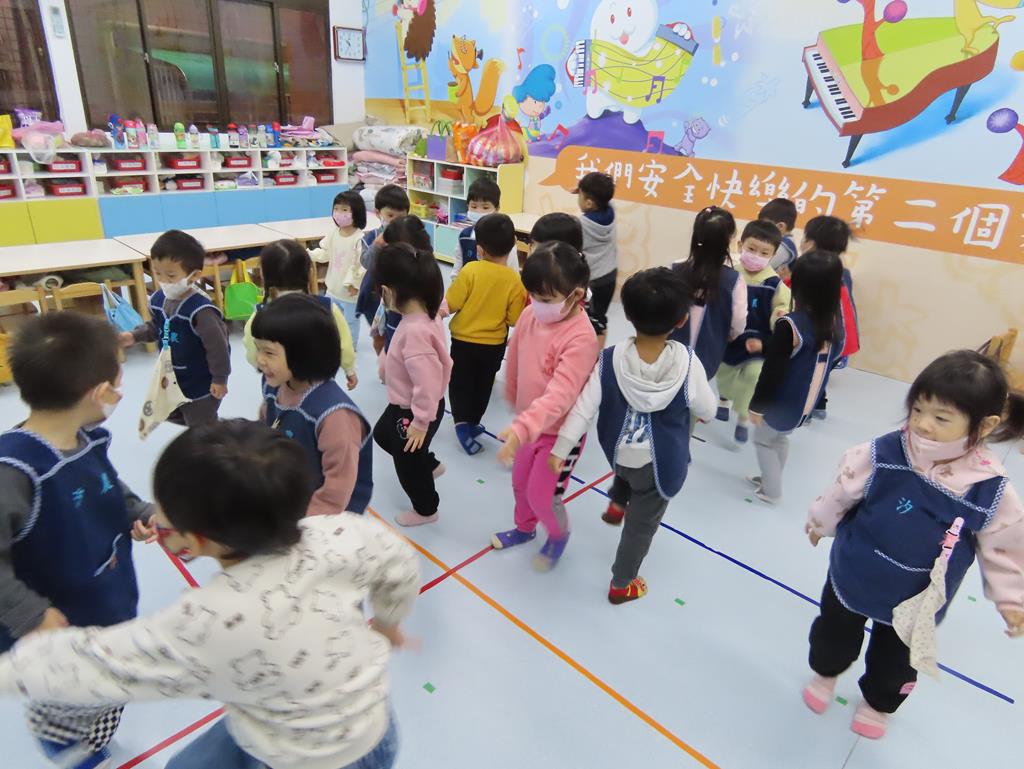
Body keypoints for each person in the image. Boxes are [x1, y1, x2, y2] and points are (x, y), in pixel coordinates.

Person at [0, 419, 420, 769]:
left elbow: (106, 664)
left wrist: (9, 670)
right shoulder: (337, 530)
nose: (154, 515)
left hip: (305, 757)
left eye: (163, 510)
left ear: (195, 540)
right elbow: (398, 560)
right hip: (370, 725)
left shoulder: (214, 619)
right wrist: (388, 622)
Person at [802, 350, 1024, 739]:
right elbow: (844, 486)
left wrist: (1011, 599)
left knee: (896, 662)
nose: (922, 423)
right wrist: (821, 521)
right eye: (918, 409)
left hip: (916, 598)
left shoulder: (988, 487)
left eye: (941, 418)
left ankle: (878, 702)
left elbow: (1005, 546)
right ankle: (826, 673)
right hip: (855, 570)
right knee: (833, 633)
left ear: (984, 424)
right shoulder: (886, 451)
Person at [0, 312, 155, 769]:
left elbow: (108, 485)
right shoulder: (14, 471)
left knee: (104, 687)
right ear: (99, 392)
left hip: (103, 600)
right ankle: (64, 745)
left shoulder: (84, 438)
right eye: (119, 376)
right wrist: (31, 614)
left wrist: (139, 513)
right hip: (56, 625)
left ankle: (91, 727)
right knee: (70, 698)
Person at [550, 268, 716, 603]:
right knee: (641, 527)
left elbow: (583, 408)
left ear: (626, 314)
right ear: (682, 320)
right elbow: (708, 410)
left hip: (617, 450)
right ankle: (621, 584)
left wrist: (561, 449)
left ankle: (616, 504)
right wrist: (699, 411)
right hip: (660, 465)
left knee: (626, 470)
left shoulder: (609, 359)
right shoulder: (688, 364)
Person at [492, 241, 599, 571]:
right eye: (533, 296)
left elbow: (561, 394)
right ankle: (524, 529)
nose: (537, 304)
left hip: (559, 437)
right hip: (529, 425)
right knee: (519, 483)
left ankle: (557, 533)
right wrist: (513, 398)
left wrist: (523, 426)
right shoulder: (530, 315)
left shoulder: (581, 338)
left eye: (547, 299)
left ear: (576, 295)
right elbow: (515, 357)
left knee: (543, 496)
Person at [254, 294, 373, 516]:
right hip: (291, 491)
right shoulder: (274, 386)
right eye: (257, 348)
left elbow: (337, 490)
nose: (259, 359)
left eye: (268, 352)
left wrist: (301, 523)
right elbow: (265, 425)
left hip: (326, 517)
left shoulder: (334, 415)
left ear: (304, 353)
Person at [748, 250, 843, 504]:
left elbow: (772, 371)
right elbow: (800, 356)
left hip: (782, 402)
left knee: (763, 441)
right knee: (778, 438)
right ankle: (770, 477)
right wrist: (766, 346)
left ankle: (772, 491)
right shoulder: (832, 324)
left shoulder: (790, 324)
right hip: (804, 403)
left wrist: (757, 406)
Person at [372, 243, 452, 527]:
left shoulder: (415, 332)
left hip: (415, 410)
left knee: (407, 463)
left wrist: (420, 421)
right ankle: (429, 464)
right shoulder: (425, 314)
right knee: (383, 435)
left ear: (388, 291)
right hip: (407, 403)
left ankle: (426, 509)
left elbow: (427, 381)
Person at [121, 229, 229, 426]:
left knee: (201, 426)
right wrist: (133, 336)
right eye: (157, 273)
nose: (163, 281)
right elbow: (156, 328)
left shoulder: (201, 311)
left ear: (194, 276)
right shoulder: (158, 300)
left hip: (200, 383)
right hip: (172, 378)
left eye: (171, 275)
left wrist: (220, 379)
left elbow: (219, 348)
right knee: (174, 414)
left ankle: (216, 438)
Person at [446, 213, 527, 455]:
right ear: (512, 247)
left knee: (460, 382)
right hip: (493, 345)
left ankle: (461, 423)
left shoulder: (470, 271)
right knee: (483, 385)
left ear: (479, 249)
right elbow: (514, 319)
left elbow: (452, 302)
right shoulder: (515, 280)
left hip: (462, 341)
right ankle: (472, 422)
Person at [244, 239, 358, 390]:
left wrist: (264, 365)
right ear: (310, 273)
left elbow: (252, 351)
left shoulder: (260, 315)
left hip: (277, 382)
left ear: (263, 276)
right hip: (318, 382)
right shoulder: (327, 307)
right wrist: (349, 369)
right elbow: (344, 344)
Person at [716, 220, 791, 443]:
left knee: (753, 376)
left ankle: (742, 418)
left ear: (773, 255)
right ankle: (723, 399)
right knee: (724, 372)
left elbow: (782, 309)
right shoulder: (730, 274)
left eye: (764, 253)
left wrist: (779, 315)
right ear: (740, 245)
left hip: (758, 342)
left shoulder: (774, 284)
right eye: (751, 249)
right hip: (730, 337)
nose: (756, 255)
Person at [670, 207, 747, 382]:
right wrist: (728, 335)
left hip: (671, 352)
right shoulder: (734, 280)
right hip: (708, 355)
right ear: (729, 239)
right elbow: (738, 323)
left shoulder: (675, 269)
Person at [801, 215, 859, 420]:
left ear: (810, 243)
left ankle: (805, 411)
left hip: (827, 338)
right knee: (820, 371)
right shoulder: (842, 271)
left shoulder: (815, 271)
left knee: (810, 373)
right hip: (844, 337)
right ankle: (819, 405)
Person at [310, 190, 368, 348]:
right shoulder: (333, 233)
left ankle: (350, 346)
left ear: (356, 212)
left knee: (350, 321)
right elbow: (325, 253)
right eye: (336, 209)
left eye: (344, 209)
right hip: (332, 289)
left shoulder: (359, 238)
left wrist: (353, 284)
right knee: (332, 319)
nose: (339, 213)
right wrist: (310, 255)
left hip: (349, 292)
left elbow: (360, 265)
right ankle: (334, 343)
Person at [356, 185, 411, 339]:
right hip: (376, 294)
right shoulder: (372, 236)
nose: (394, 221)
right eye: (390, 215)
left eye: (400, 217)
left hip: (402, 295)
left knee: (399, 333)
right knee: (380, 337)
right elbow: (366, 263)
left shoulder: (410, 236)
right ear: (378, 213)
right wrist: (377, 245)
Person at [375, 215, 434, 354]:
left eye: (390, 245)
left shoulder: (424, 273)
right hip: (392, 323)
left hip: (405, 328)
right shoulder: (393, 267)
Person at [576, 171, 618, 341]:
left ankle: (591, 351)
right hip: (610, 275)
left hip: (594, 280)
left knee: (590, 321)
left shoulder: (582, 224)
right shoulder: (611, 210)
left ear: (588, 203)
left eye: (579, 195)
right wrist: (582, 189)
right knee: (600, 318)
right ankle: (598, 352)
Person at [455, 177, 504, 278]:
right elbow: (458, 265)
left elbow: (512, 272)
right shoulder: (464, 236)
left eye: (485, 207)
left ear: (497, 209)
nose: (479, 211)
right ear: (468, 206)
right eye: (474, 206)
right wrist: (455, 282)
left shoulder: (503, 239)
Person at [761, 198, 799, 282]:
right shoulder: (781, 242)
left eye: (765, 226)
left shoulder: (784, 247)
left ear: (780, 226)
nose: (761, 229)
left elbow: (761, 268)